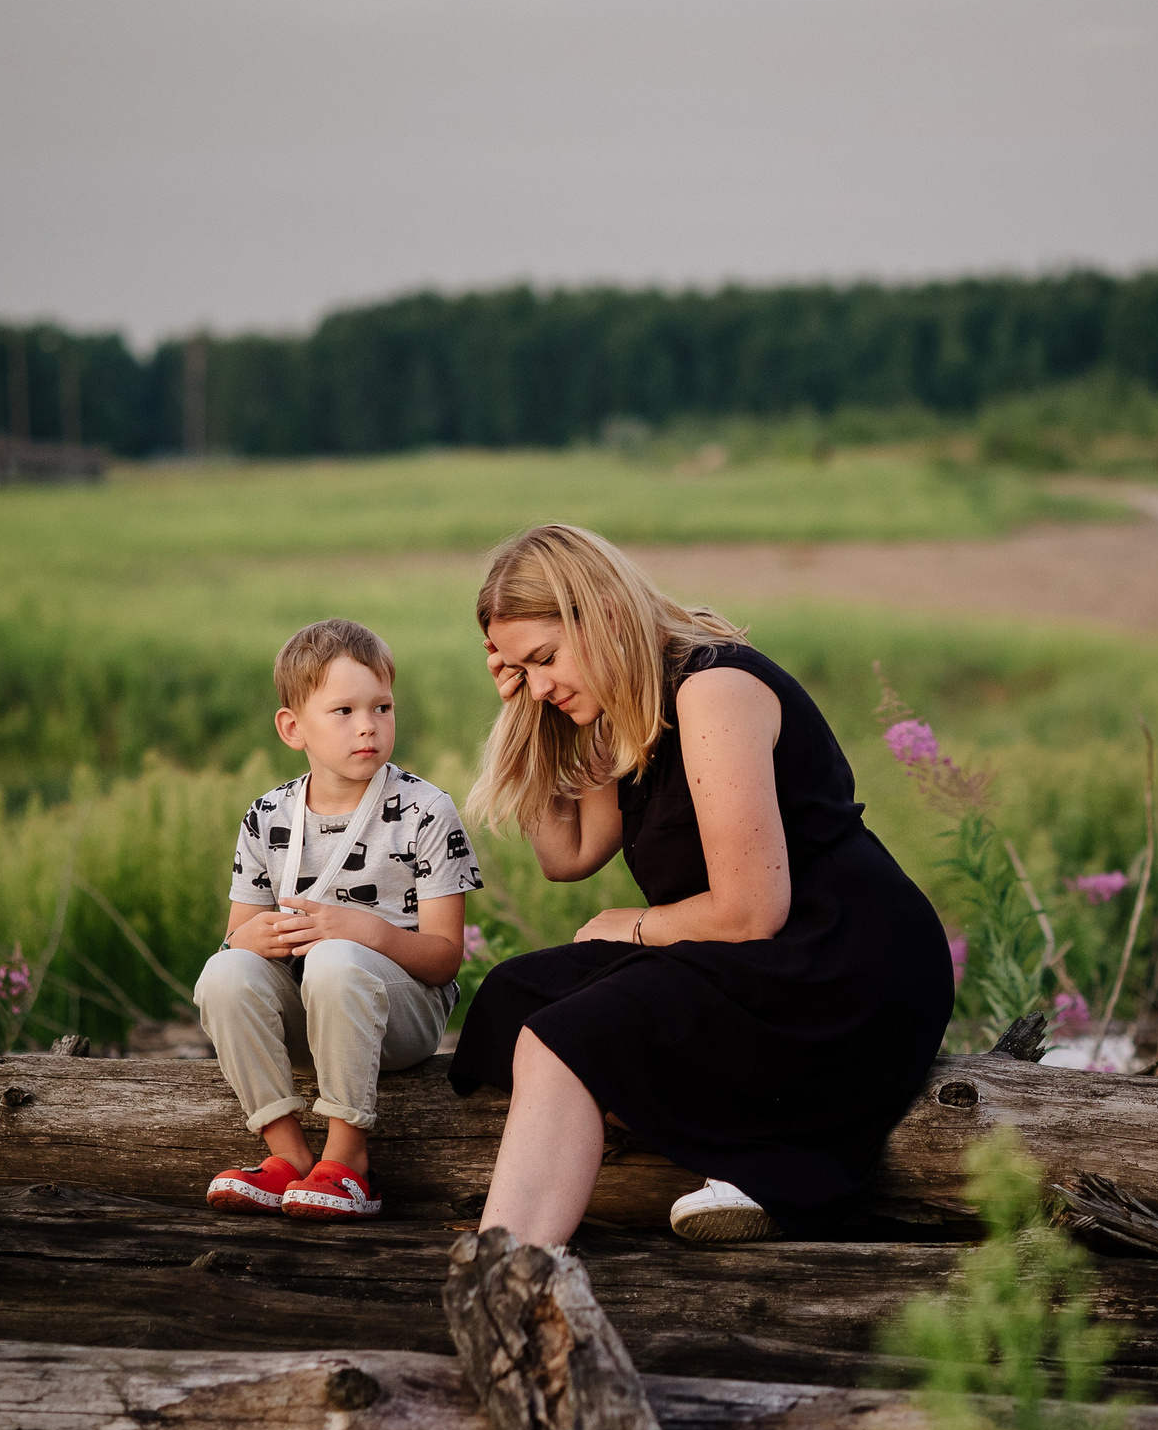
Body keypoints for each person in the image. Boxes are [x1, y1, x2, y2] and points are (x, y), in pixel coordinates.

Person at [450, 525, 953, 1246]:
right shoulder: (619, 715)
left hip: (841, 960)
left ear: (607, 614)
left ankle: (508, 1268)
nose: (540, 682)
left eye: (547, 659)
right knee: (513, 997)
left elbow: (751, 910)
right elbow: (566, 852)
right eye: (521, 669)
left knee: (564, 1037)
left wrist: (632, 925)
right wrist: (530, 713)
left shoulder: (714, 689)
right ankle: (752, 1146)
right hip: (746, 959)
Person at [195, 619, 481, 1220]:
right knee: (223, 975)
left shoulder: (426, 811)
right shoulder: (267, 815)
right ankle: (290, 1158)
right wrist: (246, 939)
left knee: (333, 958)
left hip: (400, 1016)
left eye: (382, 707)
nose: (368, 726)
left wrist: (361, 930)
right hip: (309, 1015)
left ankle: (351, 1163)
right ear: (292, 728)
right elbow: (238, 937)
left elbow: (444, 958)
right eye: (344, 711)